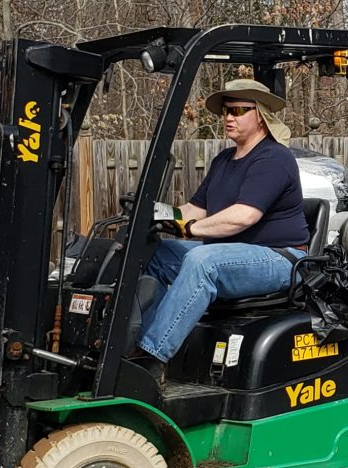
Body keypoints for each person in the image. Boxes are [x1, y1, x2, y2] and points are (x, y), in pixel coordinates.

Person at [133, 77, 310, 373]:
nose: (228, 117)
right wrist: (160, 214)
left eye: (239, 110)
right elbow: (195, 209)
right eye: (226, 111)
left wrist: (189, 229)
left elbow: (244, 216)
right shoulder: (224, 160)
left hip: (281, 258)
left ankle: (150, 358)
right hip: (237, 253)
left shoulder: (273, 158)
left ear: (262, 116)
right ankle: (142, 339)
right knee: (157, 254)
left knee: (203, 261)